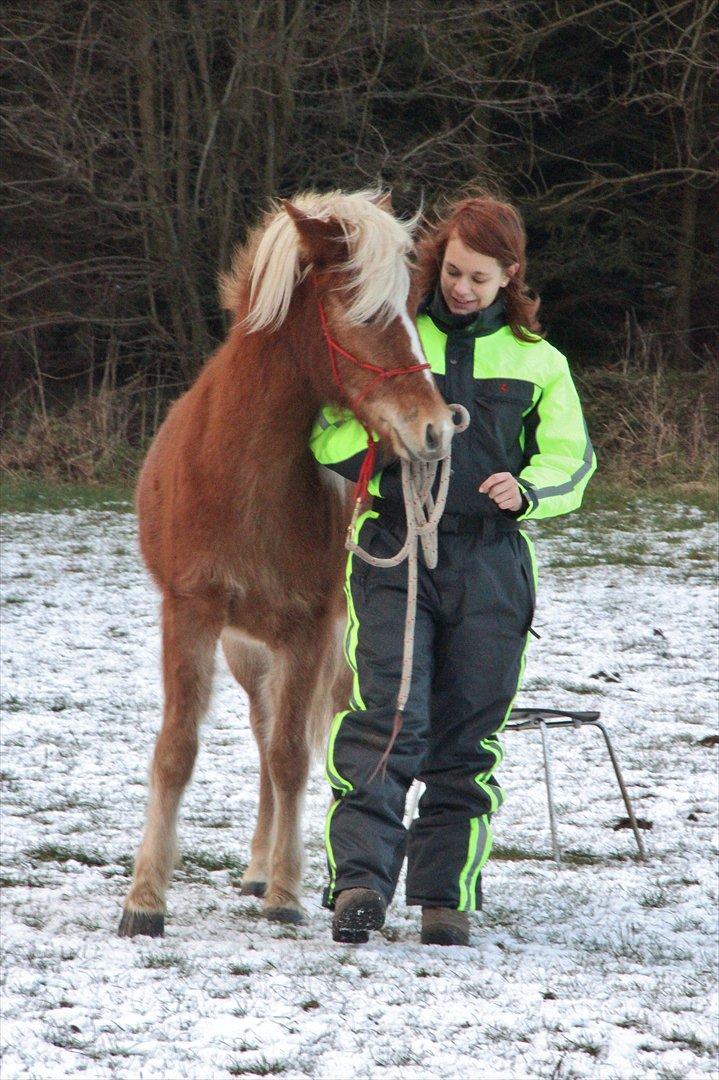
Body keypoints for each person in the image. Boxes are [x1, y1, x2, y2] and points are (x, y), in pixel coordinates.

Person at [309, 193, 596, 946]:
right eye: (453, 272)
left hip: (492, 564)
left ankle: (445, 898)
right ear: (436, 263)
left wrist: (527, 491)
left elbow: (572, 460)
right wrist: (381, 454)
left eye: (479, 278)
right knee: (386, 719)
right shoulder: (397, 337)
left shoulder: (539, 362)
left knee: (467, 738)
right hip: (394, 552)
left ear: (509, 277)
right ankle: (359, 885)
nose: (462, 289)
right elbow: (328, 433)